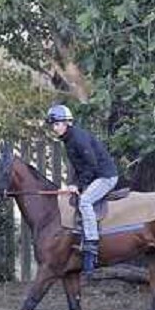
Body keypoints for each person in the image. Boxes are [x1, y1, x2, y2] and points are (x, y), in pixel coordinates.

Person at [46, 104, 118, 274]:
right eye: (53, 125)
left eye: (56, 124)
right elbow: (79, 168)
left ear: (66, 123)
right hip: (95, 176)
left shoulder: (78, 139)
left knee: (85, 201)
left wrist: (78, 185)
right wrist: (73, 184)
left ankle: (91, 243)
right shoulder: (68, 140)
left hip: (106, 177)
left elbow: (92, 166)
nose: (54, 128)